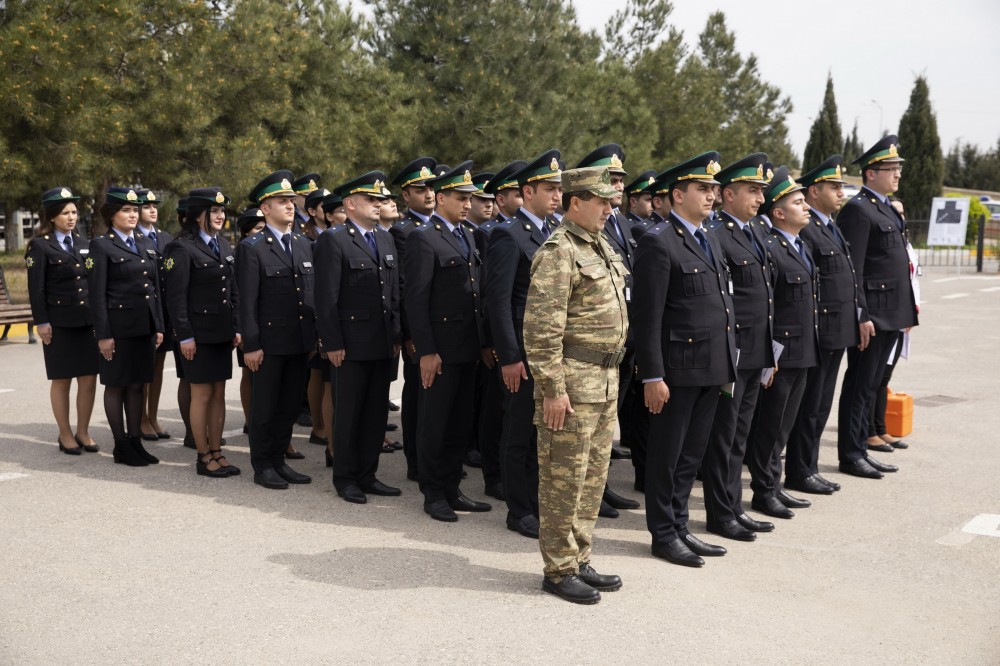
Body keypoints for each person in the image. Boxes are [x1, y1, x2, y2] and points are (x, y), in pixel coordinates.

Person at [524, 166, 628, 605]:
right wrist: (553, 388)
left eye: (611, 201)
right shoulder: (559, 251)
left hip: (604, 382)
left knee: (591, 479)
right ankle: (559, 569)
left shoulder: (601, 245)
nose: (610, 207)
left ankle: (580, 556)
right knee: (562, 481)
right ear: (576, 202)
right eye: (601, 200)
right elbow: (542, 328)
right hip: (571, 386)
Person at [632, 152, 737, 567]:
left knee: (691, 456)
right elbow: (647, 315)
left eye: (714, 190)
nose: (712, 196)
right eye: (703, 189)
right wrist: (652, 374)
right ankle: (662, 534)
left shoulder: (708, 236)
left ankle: (680, 526)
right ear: (678, 194)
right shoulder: (658, 241)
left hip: (711, 366)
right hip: (676, 370)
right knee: (667, 455)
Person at [404, 162, 491, 522]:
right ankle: (433, 492)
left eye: (470, 198)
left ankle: (453, 486)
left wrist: (484, 343)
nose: (467, 204)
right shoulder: (423, 237)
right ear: (441, 198)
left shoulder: (466, 234)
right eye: (460, 197)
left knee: (459, 423)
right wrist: (426, 351)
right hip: (440, 348)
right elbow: (416, 299)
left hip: (466, 346)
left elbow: (474, 295)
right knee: (435, 423)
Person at [486, 149, 564, 539]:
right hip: (522, 351)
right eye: (549, 188)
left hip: (551, 350)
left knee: (544, 434)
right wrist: (510, 356)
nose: (556, 195)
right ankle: (519, 510)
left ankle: (536, 501)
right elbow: (498, 301)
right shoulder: (508, 233)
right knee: (519, 432)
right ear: (527, 191)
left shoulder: (556, 231)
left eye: (558, 189)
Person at [700, 153, 777, 542]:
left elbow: (763, 298)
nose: (760, 199)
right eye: (752, 191)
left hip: (756, 350)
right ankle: (720, 513)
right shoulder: (716, 234)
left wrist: (770, 353)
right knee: (724, 436)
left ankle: (734, 507)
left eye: (761, 191)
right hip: (733, 352)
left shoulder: (755, 231)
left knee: (740, 436)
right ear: (728, 194)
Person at [314, 171, 401, 504]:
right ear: (350, 204)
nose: (379, 205)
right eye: (372, 200)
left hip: (381, 341)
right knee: (349, 413)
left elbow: (392, 292)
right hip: (349, 343)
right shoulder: (334, 239)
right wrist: (332, 342)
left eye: (380, 200)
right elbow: (326, 297)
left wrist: (395, 334)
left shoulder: (385, 238)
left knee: (375, 413)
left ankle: (368, 473)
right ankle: (346, 477)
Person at [836, 136, 917, 479]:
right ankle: (851, 454)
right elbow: (853, 267)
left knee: (872, 385)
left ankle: (861, 449)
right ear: (871, 173)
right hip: (874, 314)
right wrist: (861, 314)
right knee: (860, 383)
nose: (897, 174)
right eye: (891, 169)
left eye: (898, 168)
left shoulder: (886, 206)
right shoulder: (858, 209)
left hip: (893, 312)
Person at [748, 167, 820, 520]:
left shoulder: (800, 245)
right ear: (778, 212)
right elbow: (769, 305)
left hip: (804, 349)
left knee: (786, 425)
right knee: (770, 425)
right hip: (781, 351)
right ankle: (763, 490)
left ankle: (774, 486)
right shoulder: (771, 248)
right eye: (798, 202)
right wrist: (769, 353)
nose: (806, 207)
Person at [237, 170, 315, 490]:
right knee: (266, 407)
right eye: (281, 201)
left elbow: (309, 293)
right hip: (269, 342)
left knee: (289, 406)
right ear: (264, 209)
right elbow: (247, 301)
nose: (289, 205)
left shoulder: (302, 243)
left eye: (291, 201)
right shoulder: (252, 247)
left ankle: (280, 460)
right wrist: (252, 345)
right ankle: (263, 464)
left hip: (299, 340)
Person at [574, 144, 640, 517]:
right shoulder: (578, 232)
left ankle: (600, 489)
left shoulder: (623, 224)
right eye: (610, 180)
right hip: (586, 350)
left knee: (605, 427)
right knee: (579, 436)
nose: (617, 187)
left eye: (620, 180)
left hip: (619, 342)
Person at [784, 155, 855, 495]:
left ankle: (808, 466)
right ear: (815, 191)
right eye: (834, 186)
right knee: (809, 406)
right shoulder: (809, 231)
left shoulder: (829, 226)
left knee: (821, 404)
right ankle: (799, 469)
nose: (841, 192)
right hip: (820, 330)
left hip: (836, 329)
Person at [163, 187, 241, 478]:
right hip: (197, 334)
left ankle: (218, 452)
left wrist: (237, 326)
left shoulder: (223, 245)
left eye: (222, 211)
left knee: (219, 392)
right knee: (202, 395)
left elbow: (233, 289)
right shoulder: (181, 247)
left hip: (221, 332)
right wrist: (184, 335)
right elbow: (176, 297)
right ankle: (203, 454)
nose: (220, 216)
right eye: (214, 211)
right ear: (198, 216)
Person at [87, 186, 165, 466]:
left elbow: (152, 289)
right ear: (112, 215)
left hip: (143, 326)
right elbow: (96, 294)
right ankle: (121, 445)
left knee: (137, 385)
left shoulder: (144, 242)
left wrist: (158, 325)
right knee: (117, 385)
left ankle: (135, 441)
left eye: (135, 210)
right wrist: (104, 335)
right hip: (118, 328)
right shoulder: (101, 245)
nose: (133, 214)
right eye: (126, 210)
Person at [24, 187, 100, 455]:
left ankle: (83, 430)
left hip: (86, 321)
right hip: (59, 322)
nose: (71, 217)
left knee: (89, 378)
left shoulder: (84, 242)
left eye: (74, 212)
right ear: (52, 216)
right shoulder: (41, 245)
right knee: (62, 379)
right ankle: (65, 433)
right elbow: (37, 288)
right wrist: (42, 322)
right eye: (65, 213)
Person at [474, 160, 527, 502]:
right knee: (501, 414)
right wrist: (495, 345)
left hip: (535, 344)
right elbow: (495, 297)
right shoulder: (499, 233)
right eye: (514, 193)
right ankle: (496, 476)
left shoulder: (547, 230)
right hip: (507, 342)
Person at [389, 156, 439, 481]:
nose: (429, 194)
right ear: (406, 196)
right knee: (418, 396)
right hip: (420, 331)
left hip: (444, 327)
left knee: (436, 400)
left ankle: (434, 458)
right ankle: (416, 461)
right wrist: (410, 334)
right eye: (421, 189)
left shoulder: (440, 227)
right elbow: (406, 287)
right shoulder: (403, 231)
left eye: (432, 187)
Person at [135, 189, 174, 443]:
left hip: (164, 310)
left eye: (154, 206)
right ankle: (140, 419)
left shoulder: (165, 238)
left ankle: (153, 415)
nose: (152, 210)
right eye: (146, 206)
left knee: (158, 366)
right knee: (144, 367)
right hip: (145, 311)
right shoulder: (133, 238)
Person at [234, 206, 266, 434]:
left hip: (269, 325)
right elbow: (240, 297)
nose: (262, 233)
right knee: (249, 373)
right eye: (258, 229)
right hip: (247, 325)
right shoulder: (245, 252)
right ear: (247, 232)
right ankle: (250, 419)